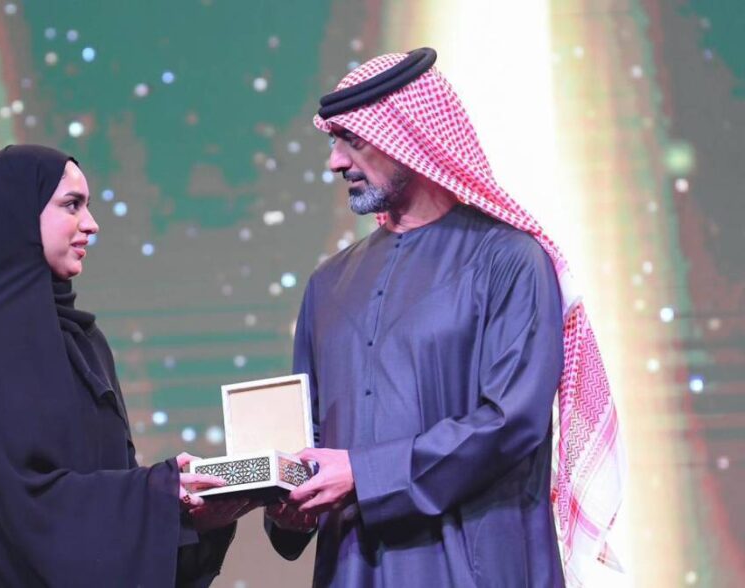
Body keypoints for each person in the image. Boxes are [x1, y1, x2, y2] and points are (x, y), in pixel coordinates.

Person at [264, 49, 625, 587]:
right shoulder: (328, 284)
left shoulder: (509, 260)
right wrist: (288, 506)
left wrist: (363, 474)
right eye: (334, 143)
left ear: (409, 135)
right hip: (353, 569)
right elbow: (309, 437)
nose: (336, 162)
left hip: (475, 566)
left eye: (352, 140)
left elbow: (510, 423)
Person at [0, 145, 256, 587]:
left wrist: (190, 516)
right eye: (71, 205)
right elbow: (9, 507)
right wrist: (158, 494)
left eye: (87, 206)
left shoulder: (84, 342)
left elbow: (109, 494)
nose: (91, 225)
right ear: (17, 214)